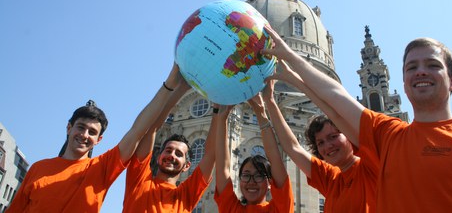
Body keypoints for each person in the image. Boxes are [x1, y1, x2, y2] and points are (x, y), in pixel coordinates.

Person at [263, 27, 452, 212]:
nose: (420, 72)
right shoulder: (389, 138)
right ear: (403, 82)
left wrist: (290, 63)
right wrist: (289, 72)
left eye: (433, 65)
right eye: (411, 67)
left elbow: (336, 106)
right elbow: (335, 104)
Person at [6, 64, 183, 213]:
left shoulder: (102, 168)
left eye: (92, 132)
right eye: (81, 127)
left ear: (99, 140)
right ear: (69, 128)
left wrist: (169, 85)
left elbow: (138, 130)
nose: (84, 135)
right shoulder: (38, 169)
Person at [263, 63, 377, 212]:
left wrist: (295, 79)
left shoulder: (371, 167)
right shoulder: (331, 179)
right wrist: (270, 102)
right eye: (320, 142)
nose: (328, 146)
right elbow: (293, 147)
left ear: (348, 133)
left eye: (333, 136)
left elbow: (336, 107)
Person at [122, 74, 217, 212]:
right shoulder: (139, 181)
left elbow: (210, 154)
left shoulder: (185, 196)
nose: (172, 155)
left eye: (179, 154)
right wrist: (180, 90)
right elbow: (151, 129)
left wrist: (218, 112)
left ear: (187, 166)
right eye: (168, 150)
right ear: (158, 156)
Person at [214, 94, 294, 213]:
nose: (251, 182)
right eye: (246, 175)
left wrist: (261, 113)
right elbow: (222, 166)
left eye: (259, 175)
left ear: (270, 183)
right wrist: (221, 119)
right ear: (240, 180)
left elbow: (275, 157)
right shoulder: (231, 209)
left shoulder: (280, 209)